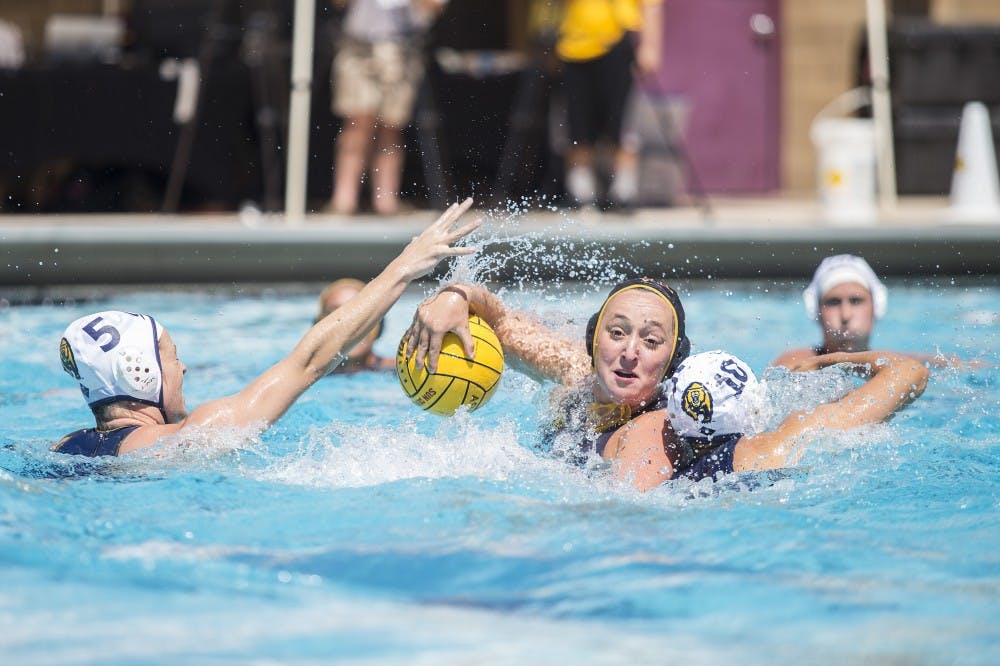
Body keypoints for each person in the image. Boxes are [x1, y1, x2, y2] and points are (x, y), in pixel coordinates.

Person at [52, 198, 478, 457]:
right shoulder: (193, 435)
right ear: (138, 373)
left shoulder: (65, 448)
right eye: (173, 358)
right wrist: (406, 266)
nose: (184, 370)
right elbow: (307, 363)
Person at [405, 276, 691, 460]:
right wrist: (456, 296)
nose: (630, 352)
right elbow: (501, 323)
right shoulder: (578, 371)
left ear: (672, 362)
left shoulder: (654, 434)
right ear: (593, 339)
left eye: (651, 340)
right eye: (616, 332)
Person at [604, 348, 929, 491]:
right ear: (754, 404)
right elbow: (910, 373)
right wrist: (834, 361)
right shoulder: (777, 446)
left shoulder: (668, 471)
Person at [327, 0, 446, 215]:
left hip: (402, 49)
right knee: (357, 123)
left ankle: (386, 201)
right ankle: (343, 200)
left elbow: (433, 8)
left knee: (391, 126)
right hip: (359, 47)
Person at [555, 0, 664, 210]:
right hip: (573, 45)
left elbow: (651, 5)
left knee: (621, 121)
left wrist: (650, 45)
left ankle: (623, 190)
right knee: (577, 122)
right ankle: (581, 190)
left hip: (617, 41)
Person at [772, 254, 960, 370]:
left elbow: (968, 368)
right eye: (833, 302)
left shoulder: (905, 364)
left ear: (876, 307)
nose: (845, 315)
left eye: (856, 301)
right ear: (817, 312)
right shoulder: (793, 364)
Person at [315, 278, 396, 373]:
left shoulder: (398, 370)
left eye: (359, 314)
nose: (349, 325)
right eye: (335, 314)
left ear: (378, 325)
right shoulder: (303, 377)